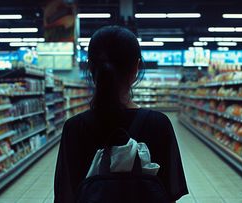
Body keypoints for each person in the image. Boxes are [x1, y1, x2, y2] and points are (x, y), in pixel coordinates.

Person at [54, 25, 188, 202]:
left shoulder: (74, 128)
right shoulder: (159, 124)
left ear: (91, 68)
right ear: (136, 68)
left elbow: (65, 196)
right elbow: (170, 194)